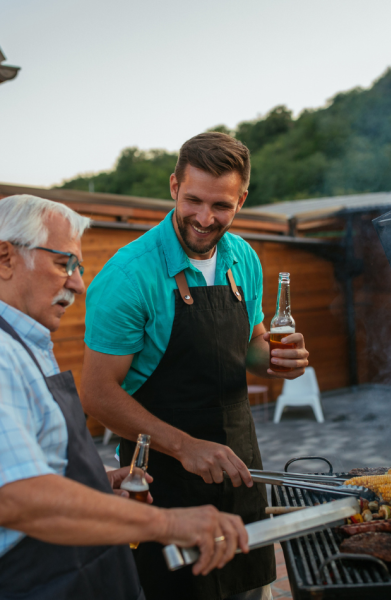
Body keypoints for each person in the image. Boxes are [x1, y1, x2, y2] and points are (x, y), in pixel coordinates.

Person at [0, 195, 248, 600]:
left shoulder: (16, 344)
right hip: (17, 585)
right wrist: (168, 524)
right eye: (63, 263)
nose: (77, 283)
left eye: (78, 268)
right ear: (4, 258)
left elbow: (21, 466)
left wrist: (93, 483)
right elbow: (14, 499)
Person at [81, 132, 310, 600]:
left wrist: (276, 359)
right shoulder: (127, 277)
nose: (205, 219)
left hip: (241, 468)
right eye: (194, 200)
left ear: (242, 199)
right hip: (162, 482)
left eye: (221, 205)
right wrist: (185, 447)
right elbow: (99, 394)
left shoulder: (243, 258)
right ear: (173, 187)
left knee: (250, 589)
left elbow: (249, 346)